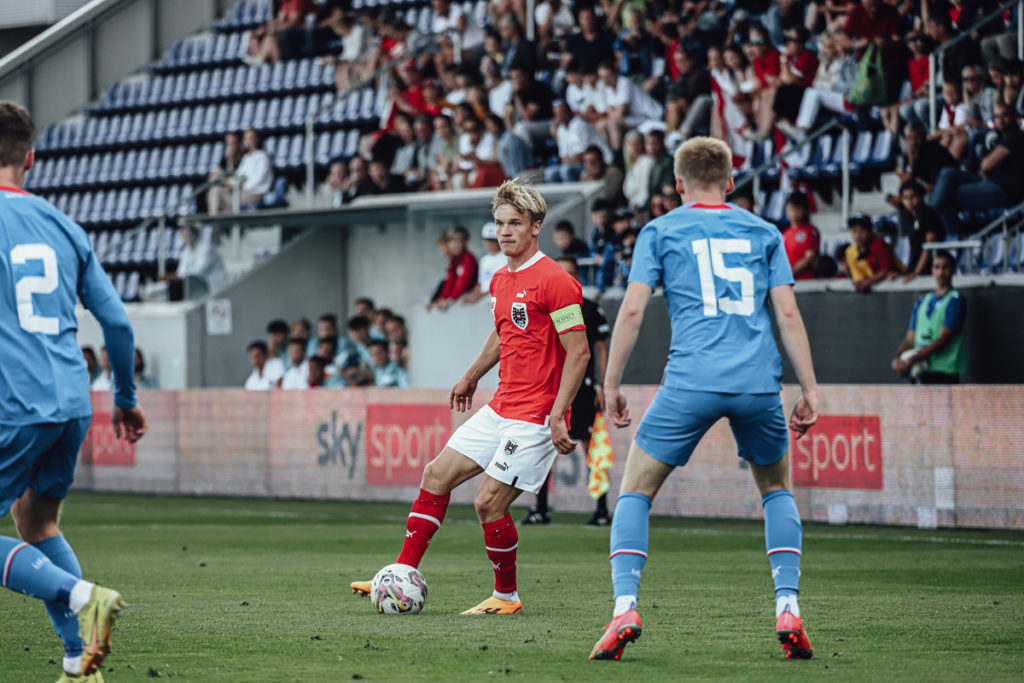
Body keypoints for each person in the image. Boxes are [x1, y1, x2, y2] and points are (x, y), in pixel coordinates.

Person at [589, 137, 819, 662]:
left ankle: (625, 607)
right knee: (776, 490)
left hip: (690, 381)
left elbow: (631, 311)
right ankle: (788, 607)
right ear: (731, 181)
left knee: (635, 491)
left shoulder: (659, 230)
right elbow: (787, 313)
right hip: (757, 383)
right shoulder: (764, 232)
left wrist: (611, 384)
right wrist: (809, 388)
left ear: (677, 184)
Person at [350, 180, 590, 615]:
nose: (505, 232)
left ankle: (506, 596)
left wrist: (559, 414)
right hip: (501, 406)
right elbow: (503, 334)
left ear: (536, 226)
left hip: (535, 415)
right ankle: (400, 573)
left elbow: (579, 352)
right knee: (435, 475)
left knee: (488, 502)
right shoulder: (499, 279)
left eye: (514, 223)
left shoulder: (557, 281)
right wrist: (470, 377)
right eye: (499, 223)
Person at [0, 100, 145, 681]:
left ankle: (85, 597)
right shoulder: (64, 226)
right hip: (70, 399)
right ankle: (79, 663)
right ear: (31, 157)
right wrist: (126, 398)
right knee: (37, 524)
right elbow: (118, 324)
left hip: (13, 400)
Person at [523, 255, 611, 526]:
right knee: (542, 446)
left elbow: (600, 348)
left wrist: (604, 384)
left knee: (592, 447)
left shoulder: (589, 308)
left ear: (577, 278)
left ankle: (601, 510)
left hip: (582, 387)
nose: (564, 278)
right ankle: (540, 509)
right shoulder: (541, 307)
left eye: (570, 273)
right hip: (548, 386)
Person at [891, 251, 967, 384]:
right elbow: (910, 338)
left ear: (953, 270)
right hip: (920, 371)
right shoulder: (922, 301)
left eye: (945, 267)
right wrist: (898, 359)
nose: (941, 272)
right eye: (937, 267)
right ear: (932, 270)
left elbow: (944, 339)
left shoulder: (955, 300)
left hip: (944, 373)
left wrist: (914, 358)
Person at [207, 128, 274, 214]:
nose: (248, 141)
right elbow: (238, 175)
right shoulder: (247, 158)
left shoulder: (263, 157)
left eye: (251, 138)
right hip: (241, 191)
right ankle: (214, 219)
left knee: (223, 199)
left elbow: (258, 180)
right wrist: (230, 183)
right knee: (216, 190)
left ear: (257, 139)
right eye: (246, 138)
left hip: (255, 193)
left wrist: (241, 187)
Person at [897, 181, 945, 284]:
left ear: (921, 196)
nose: (909, 201)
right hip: (915, 265)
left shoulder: (929, 215)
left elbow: (928, 246)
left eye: (913, 197)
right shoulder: (908, 217)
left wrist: (916, 272)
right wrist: (902, 271)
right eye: (905, 198)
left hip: (931, 268)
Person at [845, 214, 903, 292]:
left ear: (870, 231)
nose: (858, 236)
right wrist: (860, 283)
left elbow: (886, 269)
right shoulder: (850, 251)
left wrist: (867, 282)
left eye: (862, 231)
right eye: (854, 231)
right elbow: (858, 277)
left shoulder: (879, 244)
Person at [433, 226, 479, 309]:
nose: (455, 246)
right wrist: (443, 297)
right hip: (458, 295)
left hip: (466, 295)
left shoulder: (468, 259)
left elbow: (463, 282)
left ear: (465, 242)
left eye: (459, 242)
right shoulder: (455, 259)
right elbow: (450, 280)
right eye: (452, 242)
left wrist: (450, 299)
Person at [465, 221, 508, 303]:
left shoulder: (506, 258)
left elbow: (501, 283)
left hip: (496, 297)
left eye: (492, 240)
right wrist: (472, 294)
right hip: (483, 298)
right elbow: (480, 283)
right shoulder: (484, 260)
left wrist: (480, 296)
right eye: (486, 240)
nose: (489, 243)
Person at [782, 191, 820, 280]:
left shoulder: (811, 231)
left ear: (805, 210)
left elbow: (809, 258)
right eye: (791, 209)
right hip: (788, 281)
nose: (794, 213)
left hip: (806, 280)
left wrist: (791, 272)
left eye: (797, 209)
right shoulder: (784, 234)